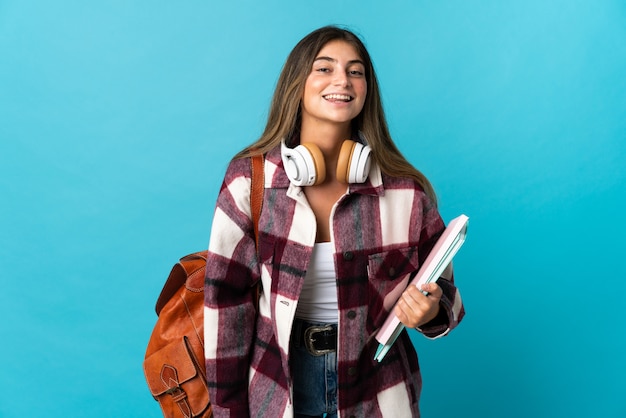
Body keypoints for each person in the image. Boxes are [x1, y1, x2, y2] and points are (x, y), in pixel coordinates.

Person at [204, 25, 465, 418]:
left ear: (366, 88)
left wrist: (430, 310)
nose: (342, 80)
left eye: (355, 71)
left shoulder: (405, 192)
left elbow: (447, 294)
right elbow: (224, 309)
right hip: (279, 390)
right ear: (297, 83)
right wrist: (228, 412)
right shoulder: (249, 182)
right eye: (324, 68)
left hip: (379, 390)